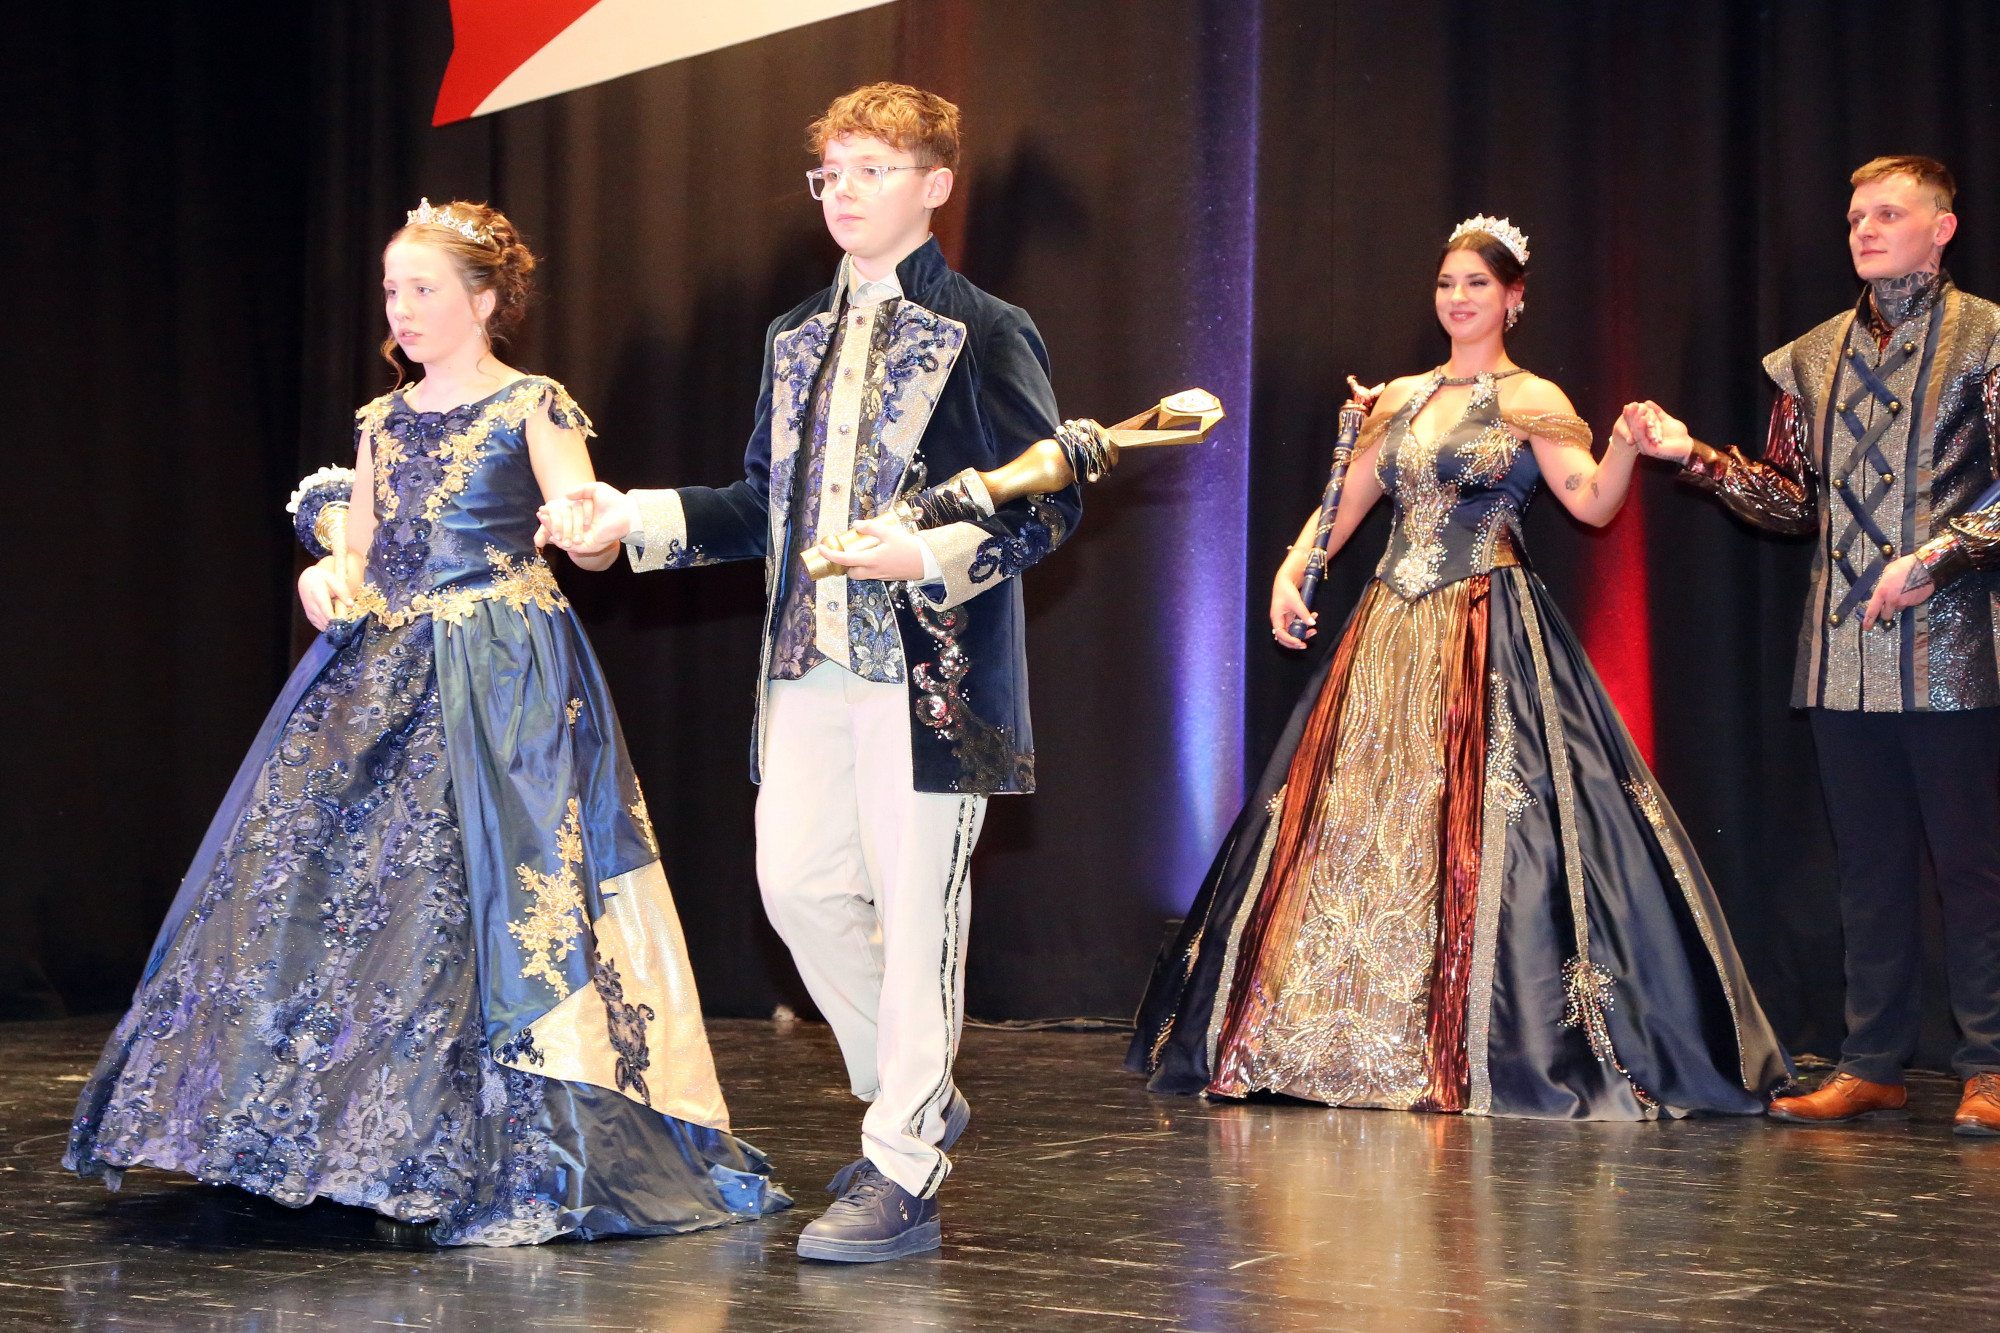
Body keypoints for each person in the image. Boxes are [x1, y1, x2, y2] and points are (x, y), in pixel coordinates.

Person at [64, 200, 789, 1244]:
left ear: (484, 301)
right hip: (381, 675)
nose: (401, 309)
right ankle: (320, 1141)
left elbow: (589, 536)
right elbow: (361, 552)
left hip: (498, 675)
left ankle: (477, 1147)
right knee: (339, 888)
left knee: (472, 896)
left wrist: (583, 526)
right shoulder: (382, 420)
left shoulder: (534, 405)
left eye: (424, 289)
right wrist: (329, 574)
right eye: (392, 290)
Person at [538, 84, 1080, 1261]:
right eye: (830, 172)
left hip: (929, 677)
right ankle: (912, 1087)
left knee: (918, 911)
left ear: (934, 186)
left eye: (872, 169)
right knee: (793, 888)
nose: (844, 191)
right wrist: (631, 518)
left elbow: (1048, 503)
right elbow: (758, 506)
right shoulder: (794, 335)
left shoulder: (986, 330)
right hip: (804, 665)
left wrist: (922, 552)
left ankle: (901, 1158)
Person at [1127, 216, 1790, 1119]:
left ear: (1513, 298)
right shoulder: (1401, 395)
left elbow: (1593, 503)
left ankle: (1461, 1037)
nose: (1458, 297)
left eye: (1478, 283)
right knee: (1350, 828)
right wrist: (1293, 568)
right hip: (1386, 625)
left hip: (1485, 620)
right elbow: (1346, 502)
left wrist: (1629, 444)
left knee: (1479, 827)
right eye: (1447, 283)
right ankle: (1324, 1032)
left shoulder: (1532, 396)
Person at [1627, 156, 2000, 1134]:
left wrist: (1938, 558)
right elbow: (1792, 501)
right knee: (1866, 865)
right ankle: (1871, 1060)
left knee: (1970, 865)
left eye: (1888, 214)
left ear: (1940, 229)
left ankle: (1990, 1063)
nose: (1865, 230)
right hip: (1841, 649)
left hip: (1954, 646)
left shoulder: (1987, 338)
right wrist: (1693, 456)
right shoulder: (1811, 356)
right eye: (1855, 217)